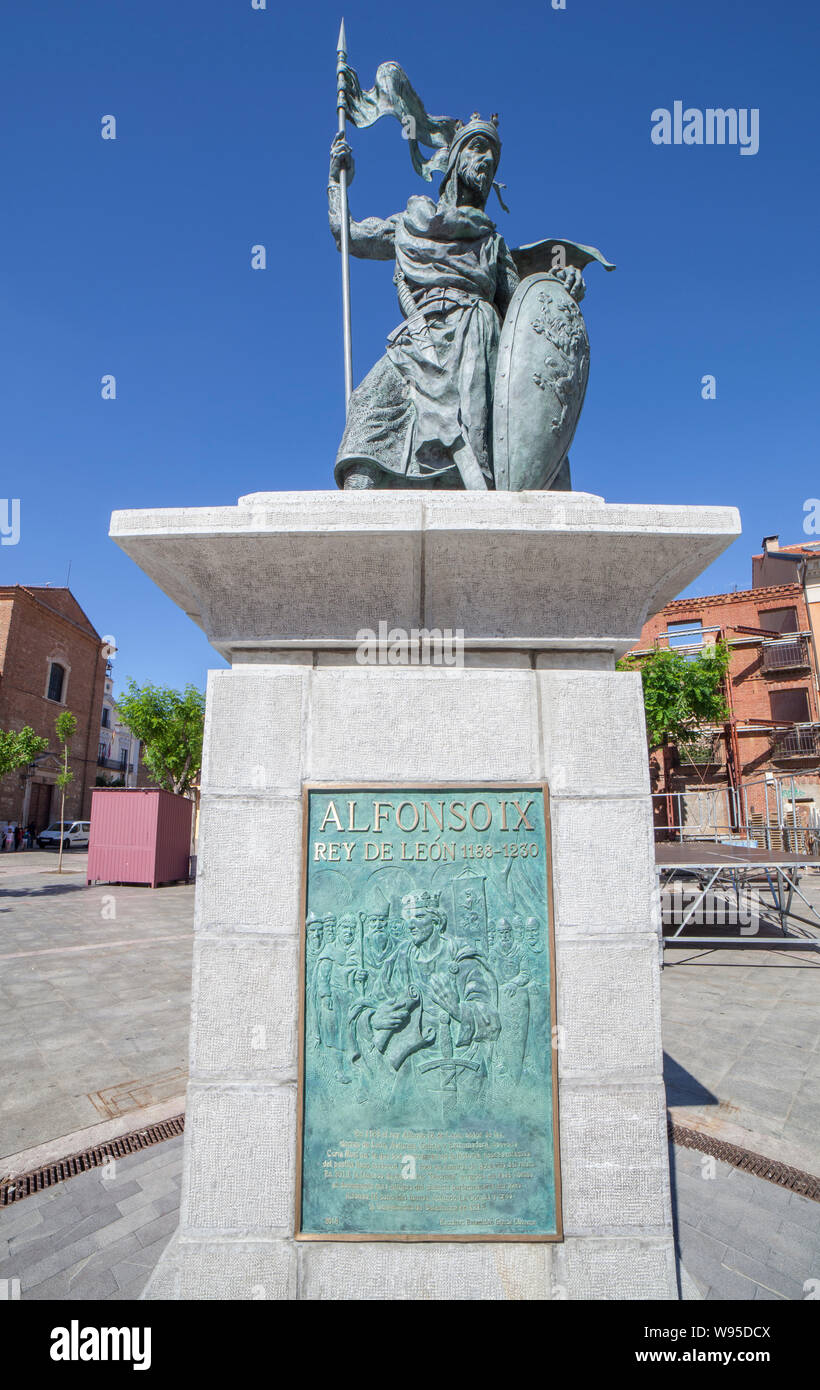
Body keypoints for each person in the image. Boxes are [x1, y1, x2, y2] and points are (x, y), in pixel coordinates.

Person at [328, 114, 584, 491]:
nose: (486, 162)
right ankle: (356, 535)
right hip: (420, 338)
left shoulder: (491, 243)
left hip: (476, 341)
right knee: (367, 414)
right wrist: (338, 182)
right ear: (455, 160)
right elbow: (348, 235)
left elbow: (521, 308)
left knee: (484, 445)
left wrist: (560, 291)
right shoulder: (410, 223)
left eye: (493, 158)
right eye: (478, 149)